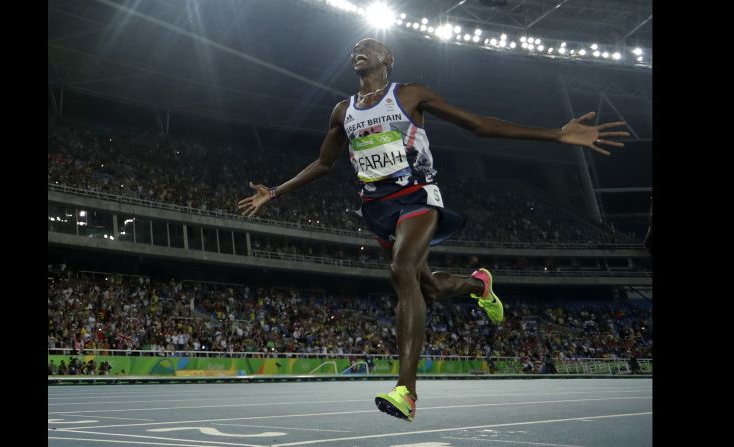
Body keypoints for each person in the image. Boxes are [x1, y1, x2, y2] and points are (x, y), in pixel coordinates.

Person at [238, 38, 629, 422]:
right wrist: (273, 192)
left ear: (386, 58)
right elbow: (323, 164)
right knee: (430, 288)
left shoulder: (409, 95)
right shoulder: (343, 110)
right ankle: (479, 286)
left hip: (417, 196)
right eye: (354, 47)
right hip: (376, 208)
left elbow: (477, 125)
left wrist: (557, 135)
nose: (358, 50)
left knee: (401, 272)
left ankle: (406, 391)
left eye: (368, 46)